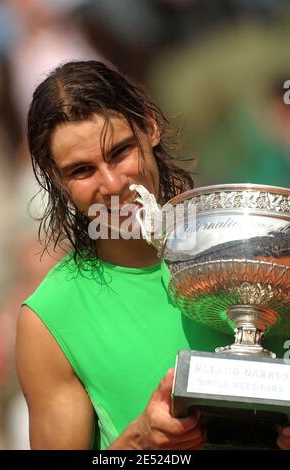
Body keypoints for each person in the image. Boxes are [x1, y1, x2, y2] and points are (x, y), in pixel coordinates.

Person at [15, 60, 290, 450]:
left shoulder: (255, 245)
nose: (112, 184)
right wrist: (139, 443)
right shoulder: (49, 319)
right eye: (82, 170)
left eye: (120, 151)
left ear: (150, 127)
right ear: (55, 178)